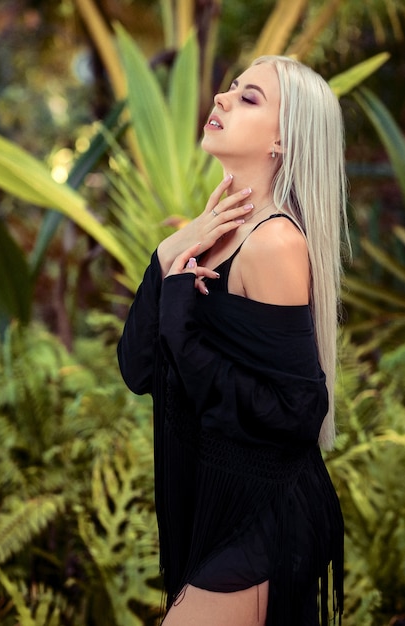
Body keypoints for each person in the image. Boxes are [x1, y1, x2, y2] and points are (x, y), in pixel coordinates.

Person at [117, 55, 349, 626]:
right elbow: (138, 369)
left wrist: (180, 314)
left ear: (281, 143)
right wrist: (171, 252)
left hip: (261, 516)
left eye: (249, 98)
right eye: (233, 87)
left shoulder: (274, 244)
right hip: (211, 505)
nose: (222, 98)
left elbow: (296, 412)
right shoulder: (211, 233)